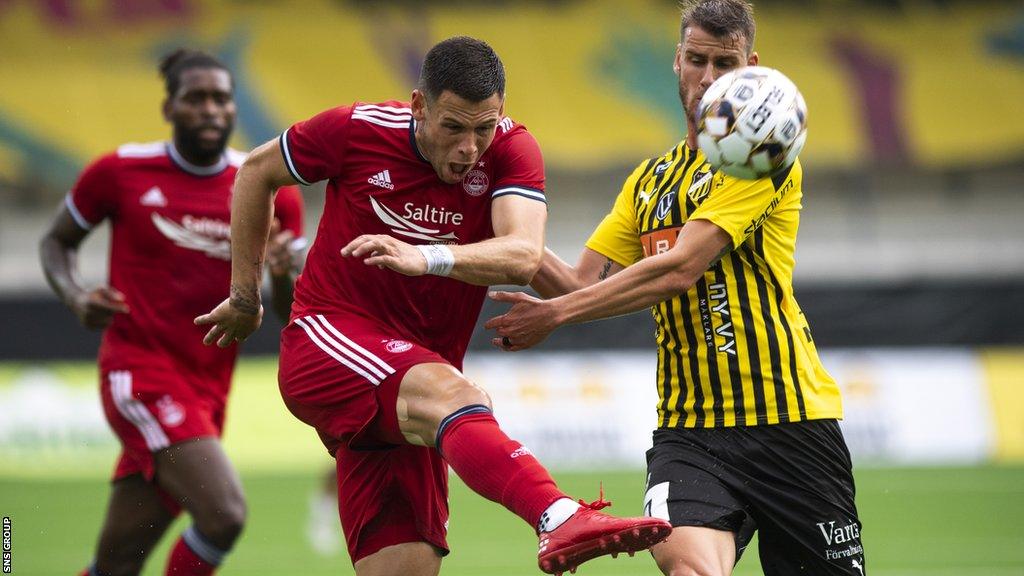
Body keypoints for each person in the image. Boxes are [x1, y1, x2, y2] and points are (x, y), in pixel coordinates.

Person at [195, 36, 671, 576]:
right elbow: (256, 171)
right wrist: (243, 295)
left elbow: (521, 253)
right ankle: (558, 516)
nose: (470, 147)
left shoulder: (512, 150)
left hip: (412, 386)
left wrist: (427, 257)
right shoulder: (357, 129)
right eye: (454, 127)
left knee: (406, 567)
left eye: (484, 128)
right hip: (329, 342)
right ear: (419, 106)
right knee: (458, 395)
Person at [485, 2, 866, 575]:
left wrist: (554, 315)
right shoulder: (648, 181)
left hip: (790, 421)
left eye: (724, 62)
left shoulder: (764, 156)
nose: (708, 78)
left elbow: (680, 267)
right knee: (689, 569)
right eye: (696, 59)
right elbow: (578, 282)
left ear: (752, 67)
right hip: (691, 432)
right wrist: (487, 213)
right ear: (677, 62)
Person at [39, 49, 304, 576]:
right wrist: (75, 295)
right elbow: (56, 242)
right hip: (139, 373)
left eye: (221, 99)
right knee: (224, 516)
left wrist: (279, 273)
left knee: (117, 564)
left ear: (234, 110)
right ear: (169, 107)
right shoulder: (120, 172)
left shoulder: (269, 189)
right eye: (195, 98)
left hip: (208, 389)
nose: (210, 109)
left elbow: (287, 310)